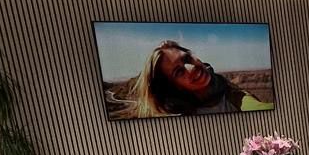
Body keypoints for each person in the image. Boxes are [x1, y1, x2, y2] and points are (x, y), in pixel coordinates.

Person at [114, 41, 271, 117]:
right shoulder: (176, 114)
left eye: (187, 58)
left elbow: (251, 104)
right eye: (178, 72)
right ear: (173, 87)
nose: (191, 67)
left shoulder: (229, 91)